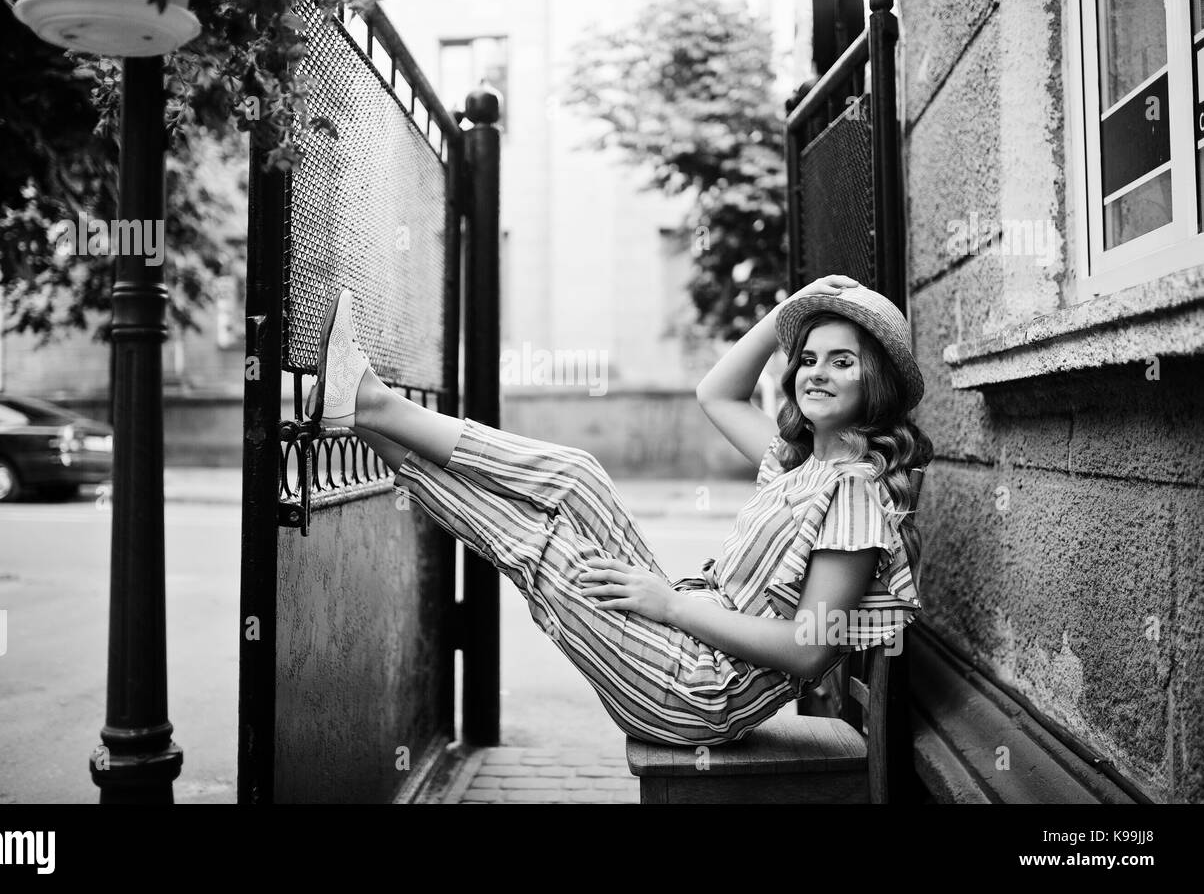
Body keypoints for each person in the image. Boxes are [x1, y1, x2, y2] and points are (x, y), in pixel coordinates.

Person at [305, 274, 933, 747]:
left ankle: (372, 408)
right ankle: (370, 416)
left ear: (874, 382)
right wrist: (786, 312)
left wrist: (669, 604)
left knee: (542, 546)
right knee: (578, 476)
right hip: (685, 639)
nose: (816, 373)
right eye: (810, 358)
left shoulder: (851, 490)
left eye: (843, 361)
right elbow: (717, 391)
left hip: (697, 692)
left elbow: (808, 651)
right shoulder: (800, 464)